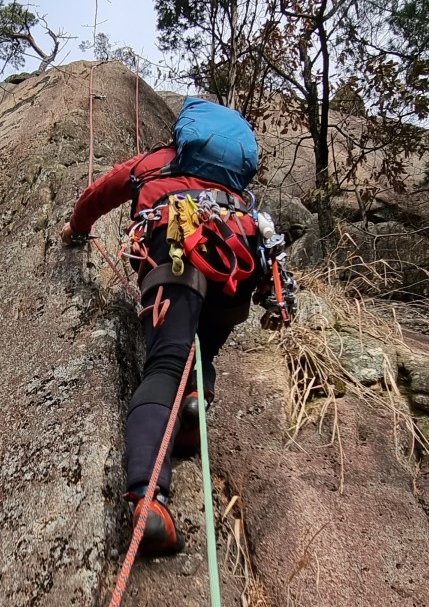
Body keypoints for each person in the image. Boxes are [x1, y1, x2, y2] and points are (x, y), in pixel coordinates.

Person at [61, 97, 293, 556]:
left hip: (176, 251)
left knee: (166, 361)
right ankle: (194, 404)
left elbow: (101, 192)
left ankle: (150, 500)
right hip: (234, 258)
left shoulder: (157, 161)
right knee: (202, 348)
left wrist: (77, 228)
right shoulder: (237, 188)